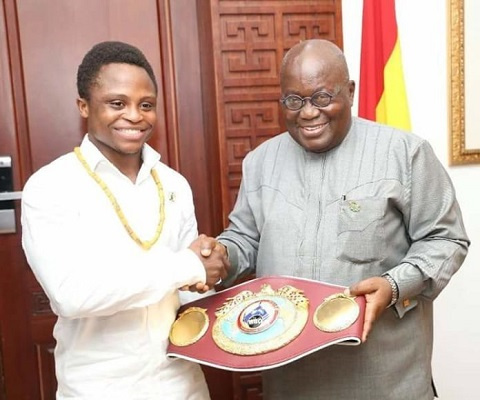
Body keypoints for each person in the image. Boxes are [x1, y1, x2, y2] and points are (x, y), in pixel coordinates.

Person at [204, 39, 470, 399]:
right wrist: (220, 256)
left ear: (351, 91)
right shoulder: (260, 161)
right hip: (291, 380)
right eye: (294, 101)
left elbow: (446, 239)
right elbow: (246, 239)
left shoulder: (405, 154)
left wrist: (394, 285)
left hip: (383, 377)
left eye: (322, 98)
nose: (308, 113)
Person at [21, 41, 228, 400]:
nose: (134, 115)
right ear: (83, 106)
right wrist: (188, 266)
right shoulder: (50, 187)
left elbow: (190, 288)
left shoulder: (174, 183)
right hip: (98, 389)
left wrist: (209, 269)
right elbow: (72, 294)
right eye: (117, 103)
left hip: (181, 384)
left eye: (146, 105)